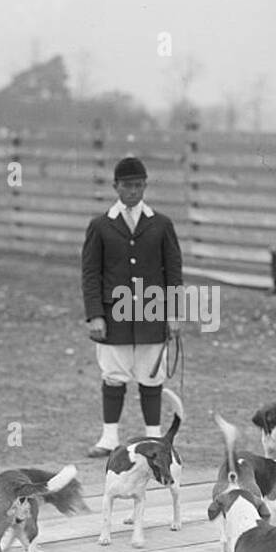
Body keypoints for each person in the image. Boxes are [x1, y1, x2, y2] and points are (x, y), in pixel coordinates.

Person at [81, 156, 183, 458]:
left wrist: (174, 312)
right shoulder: (100, 226)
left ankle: (154, 437)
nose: (133, 191)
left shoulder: (161, 224)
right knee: (114, 373)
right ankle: (109, 437)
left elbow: (173, 272)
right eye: (127, 186)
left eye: (138, 186)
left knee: (152, 374)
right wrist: (95, 314)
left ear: (145, 187)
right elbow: (90, 273)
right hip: (114, 314)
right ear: (115, 186)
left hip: (152, 309)